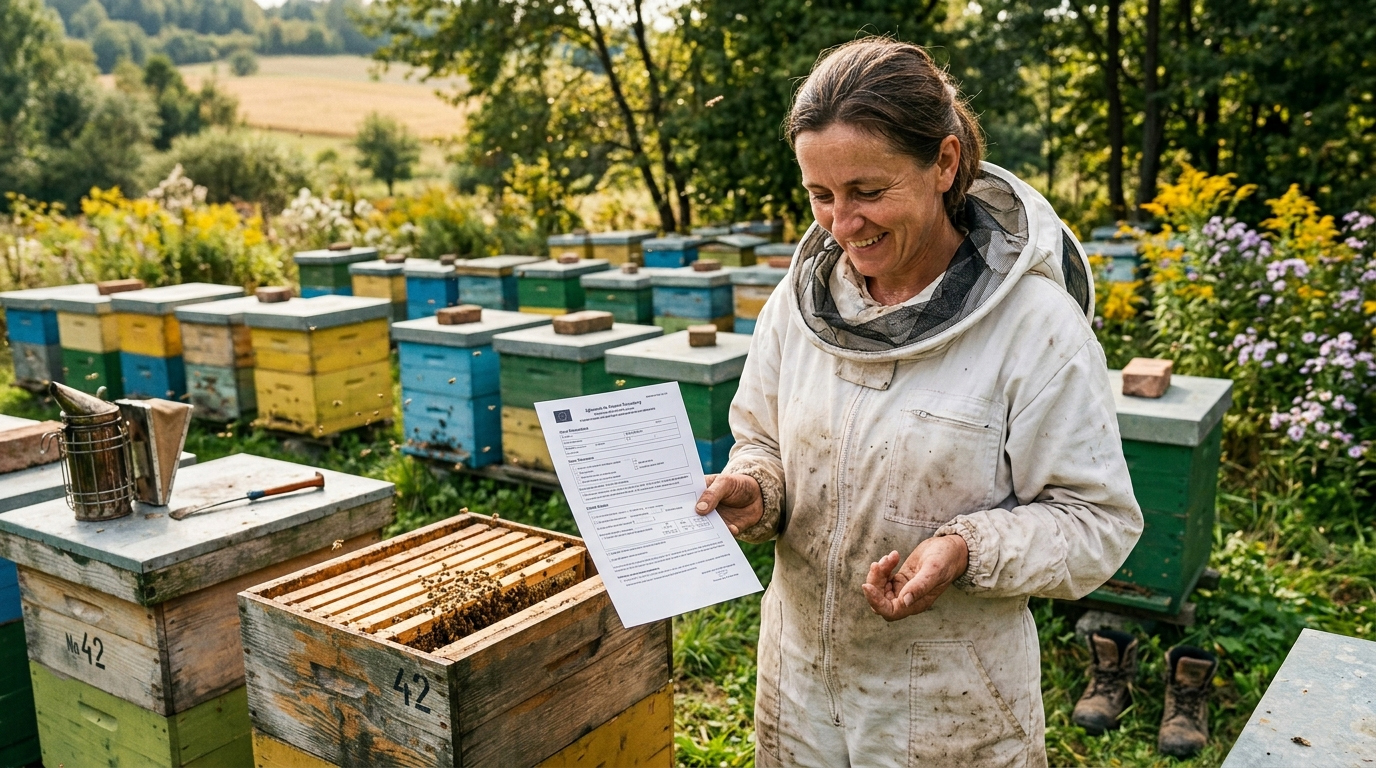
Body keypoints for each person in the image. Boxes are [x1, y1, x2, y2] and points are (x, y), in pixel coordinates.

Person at [693, 38, 1143, 767]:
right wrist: (759, 487)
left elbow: (1096, 522)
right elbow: (762, 439)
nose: (842, 224)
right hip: (798, 681)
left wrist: (967, 549)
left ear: (945, 162)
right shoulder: (797, 303)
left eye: (869, 192)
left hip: (950, 705)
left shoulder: (1035, 328)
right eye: (821, 195)